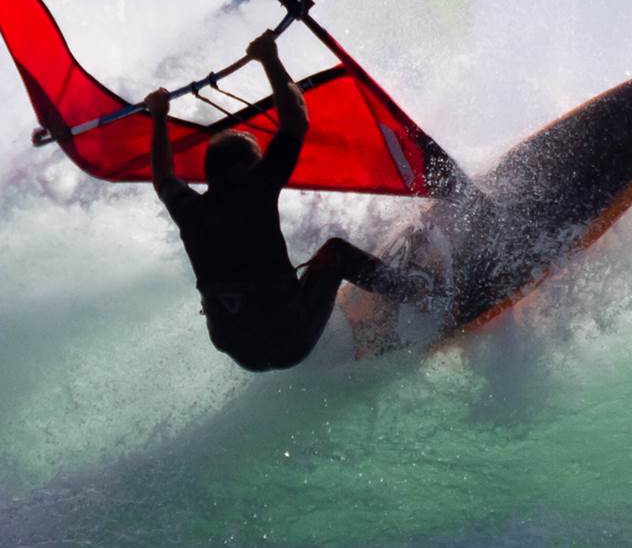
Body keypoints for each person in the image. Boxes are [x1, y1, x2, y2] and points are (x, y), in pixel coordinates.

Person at [146, 31, 433, 371]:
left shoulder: (189, 210)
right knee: (336, 253)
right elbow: (296, 119)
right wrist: (269, 58)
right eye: (255, 162)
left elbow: (163, 177)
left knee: (263, 291)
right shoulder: (255, 188)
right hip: (289, 338)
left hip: (238, 347)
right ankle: (417, 294)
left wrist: (159, 115)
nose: (261, 168)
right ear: (242, 168)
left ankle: (322, 313)